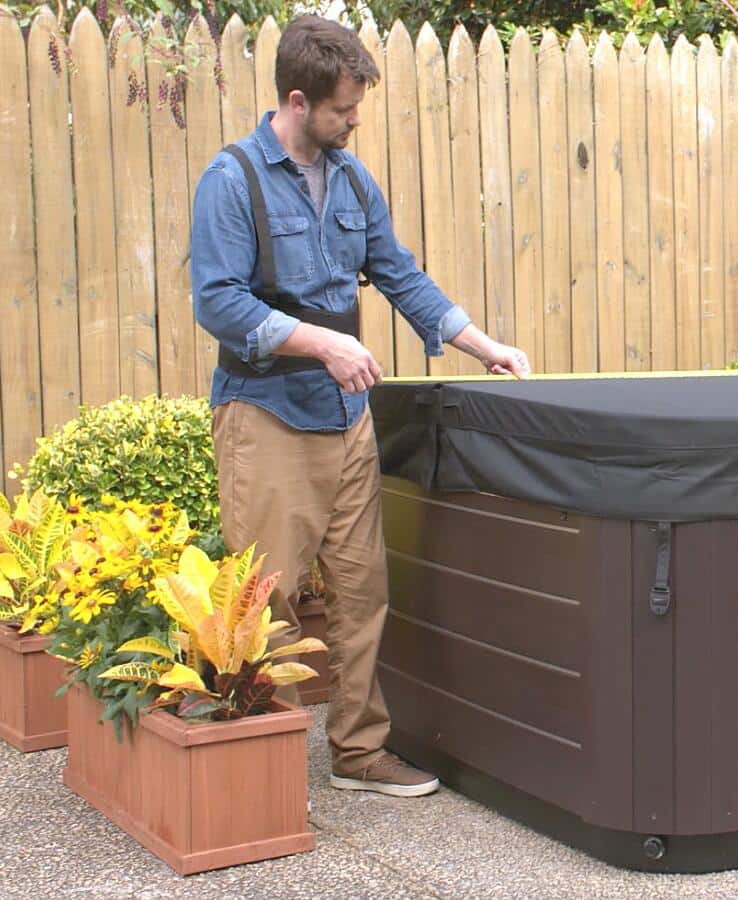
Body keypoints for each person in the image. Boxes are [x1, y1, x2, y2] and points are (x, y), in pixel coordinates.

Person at [190, 15, 529, 798]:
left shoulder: (351, 179)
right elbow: (218, 302)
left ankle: (358, 752)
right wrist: (321, 343)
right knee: (261, 598)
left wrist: (484, 345)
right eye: (344, 110)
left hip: (345, 421)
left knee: (361, 592)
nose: (354, 121)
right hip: (267, 415)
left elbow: (400, 275)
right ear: (299, 100)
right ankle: (254, 763)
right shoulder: (232, 178)